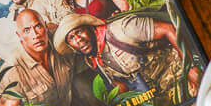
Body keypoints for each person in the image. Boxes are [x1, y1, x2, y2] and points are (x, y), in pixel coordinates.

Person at [53, 12, 200, 97]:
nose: (78, 39)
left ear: (89, 28)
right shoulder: (92, 59)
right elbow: (121, 82)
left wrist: (190, 67)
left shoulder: (122, 29)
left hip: (177, 70)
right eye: (71, 38)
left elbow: (168, 29)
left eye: (79, 32)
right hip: (161, 91)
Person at [0, 9, 74, 106]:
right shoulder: (11, 72)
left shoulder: (60, 41)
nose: (35, 35)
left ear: (45, 27)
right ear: (19, 35)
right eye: (27, 30)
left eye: (38, 26)